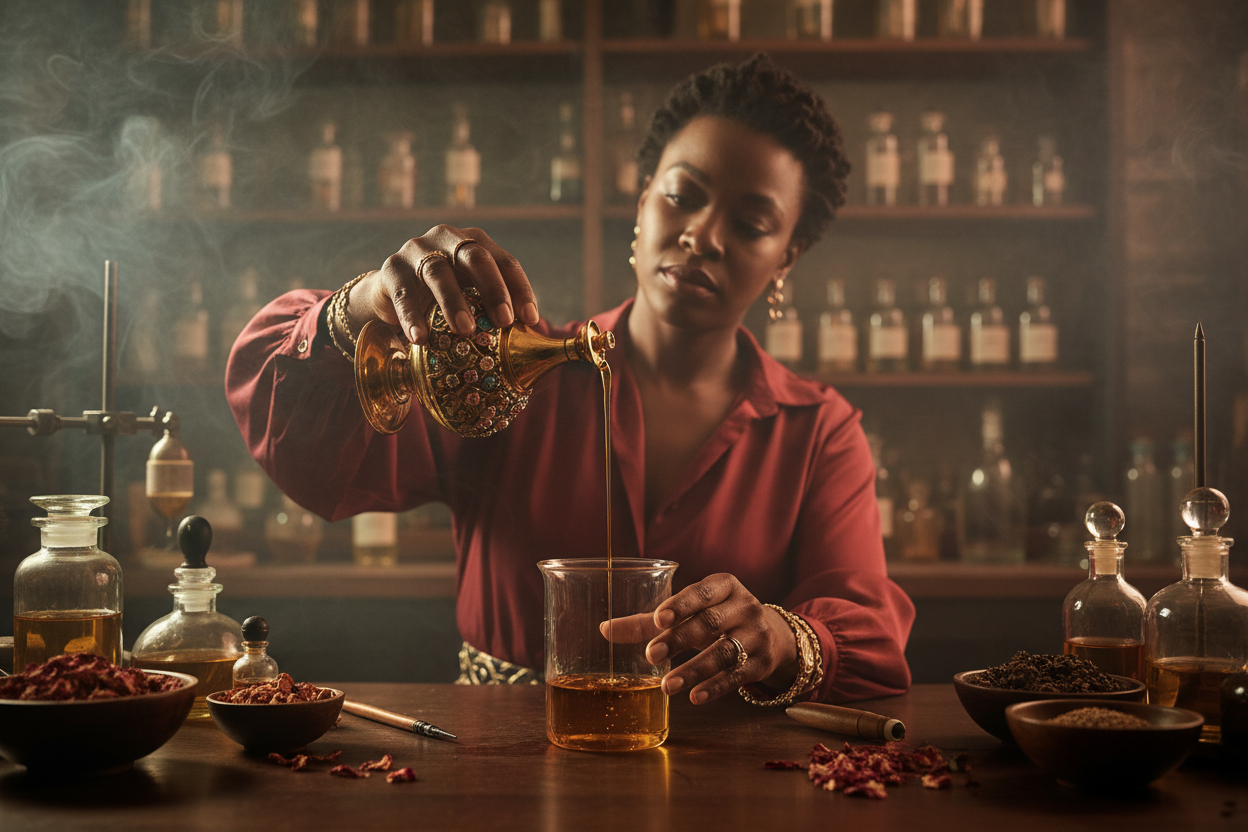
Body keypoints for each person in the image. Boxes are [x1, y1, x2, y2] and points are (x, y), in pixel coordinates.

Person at [227, 54, 914, 706]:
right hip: (502, 771)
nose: (702, 235)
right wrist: (363, 307)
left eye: (751, 223)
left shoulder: (817, 430)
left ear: (786, 257)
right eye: (682, 196)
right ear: (643, 204)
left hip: (721, 787)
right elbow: (303, 450)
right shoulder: (505, 374)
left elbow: (869, 634)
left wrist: (783, 638)